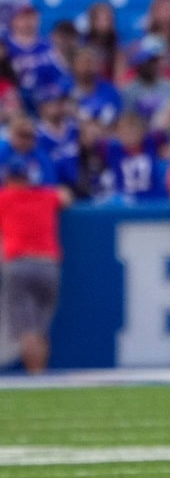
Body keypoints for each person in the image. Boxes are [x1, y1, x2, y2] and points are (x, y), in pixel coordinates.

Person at [0, 159, 70, 373]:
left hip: (19, 264)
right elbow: (66, 197)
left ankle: (35, 377)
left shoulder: (4, 198)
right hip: (48, 264)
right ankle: (40, 374)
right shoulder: (46, 196)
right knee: (40, 328)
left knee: (27, 329)